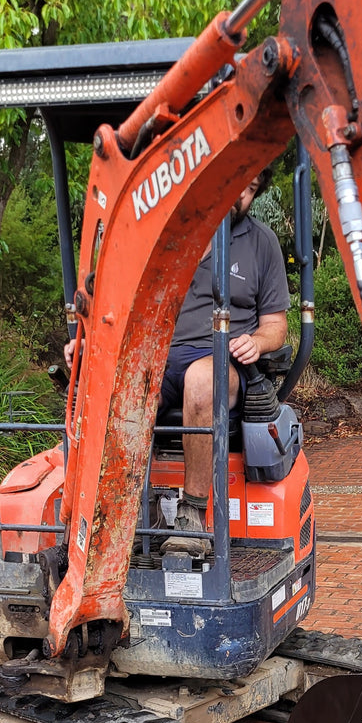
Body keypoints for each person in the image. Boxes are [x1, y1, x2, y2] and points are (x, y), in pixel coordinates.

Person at [66, 167, 289, 548]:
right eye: (234, 180)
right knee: (118, 388)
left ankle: (192, 515)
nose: (239, 195)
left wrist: (257, 342)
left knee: (201, 380)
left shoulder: (260, 243)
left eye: (249, 189)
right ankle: (132, 509)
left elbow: (276, 325)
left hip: (224, 361)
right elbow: (121, 313)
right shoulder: (167, 238)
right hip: (161, 358)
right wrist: (91, 344)